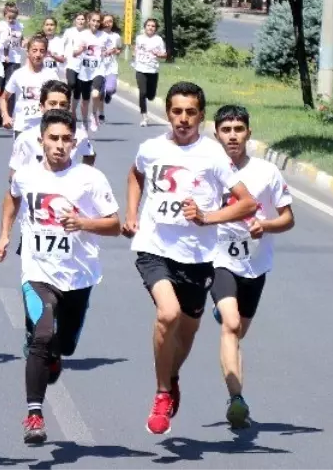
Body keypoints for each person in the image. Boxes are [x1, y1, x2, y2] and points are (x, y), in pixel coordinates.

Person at [122, 81, 258, 436]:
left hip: (197, 257)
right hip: (154, 247)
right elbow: (135, 175)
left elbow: (247, 203)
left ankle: (172, 375)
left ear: (201, 115)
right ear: (167, 112)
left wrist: (206, 217)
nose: (183, 119)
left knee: (187, 331)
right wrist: (133, 213)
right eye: (177, 111)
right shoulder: (151, 148)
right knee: (167, 314)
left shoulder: (213, 155)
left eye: (191, 112)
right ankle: (162, 393)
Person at [0, 109, 121, 445]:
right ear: (42, 140)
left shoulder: (90, 179)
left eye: (67, 139)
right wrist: (6, 233)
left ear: (75, 142)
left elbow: (115, 225)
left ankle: (54, 355)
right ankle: (34, 414)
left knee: (64, 345)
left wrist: (85, 223)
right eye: (54, 138)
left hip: (79, 275)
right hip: (38, 271)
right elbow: (12, 198)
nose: (60, 145)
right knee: (42, 334)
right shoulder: (26, 174)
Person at [210, 105, 295, 429]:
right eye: (226, 130)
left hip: (255, 265)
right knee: (230, 325)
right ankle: (237, 399)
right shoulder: (208, 171)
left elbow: (288, 219)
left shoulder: (267, 173)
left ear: (248, 132)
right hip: (218, 260)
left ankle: (223, 309)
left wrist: (267, 226)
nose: (232, 135)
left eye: (238, 129)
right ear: (216, 134)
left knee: (237, 331)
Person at [9, 80, 96, 174]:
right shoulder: (25, 138)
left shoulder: (79, 135)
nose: (58, 108)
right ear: (41, 107)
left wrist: (84, 177)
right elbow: (14, 174)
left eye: (63, 104)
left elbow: (90, 154)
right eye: (52, 103)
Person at [0, 34, 59, 138]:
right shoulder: (18, 74)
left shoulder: (52, 75)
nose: (38, 54)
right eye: (34, 50)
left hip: (44, 128)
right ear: (27, 52)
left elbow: (60, 99)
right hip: (22, 127)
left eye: (42, 51)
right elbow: (4, 98)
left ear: (46, 53)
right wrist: (5, 116)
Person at [72, 12, 107, 133]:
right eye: (93, 21)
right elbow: (74, 53)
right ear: (88, 21)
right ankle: (85, 123)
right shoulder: (82, 35)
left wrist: (108, 52)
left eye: (98, 21)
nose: (96, 23)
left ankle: (94, 114)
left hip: (98, 70)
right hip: (85, 72)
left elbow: (113, 49)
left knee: (96, 95)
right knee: (85, 101)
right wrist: (81, 50)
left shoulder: (104, 36)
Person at [133, 18, 168, 127]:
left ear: (155, 28)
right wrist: (135, 53)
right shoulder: (139, 38)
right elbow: (136, 48)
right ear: (145, 27)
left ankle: (150, 96)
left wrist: (159, 54)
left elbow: (164, 55)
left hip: (153, 70)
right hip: (140, 69)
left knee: (151, 96)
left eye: (153, 26)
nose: (150, 28)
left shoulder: (159, 40)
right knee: (142, 92)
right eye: (148, 25)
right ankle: (144, 116)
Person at [96, 13, 121, 123]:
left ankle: (109, 94)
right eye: (105, 21)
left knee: (110, 88)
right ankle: (101, 114)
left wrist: (116, 51)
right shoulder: (97, 35)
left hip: (111, 67)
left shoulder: (116, 36)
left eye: (110, 21)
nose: (108, 23)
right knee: (100, 93)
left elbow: (119, 49)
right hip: (99, 68)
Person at [62, 13, 88, 114]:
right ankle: (66, 105)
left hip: (83, 65)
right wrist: (62, 55)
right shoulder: (69, 32)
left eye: (82, 19)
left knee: (78, 90)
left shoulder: (87, 33)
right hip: (70, 63)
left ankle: (73, 111)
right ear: (75, 21)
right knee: (71, 83)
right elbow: (62, 43)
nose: (81, 21)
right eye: (79, 19)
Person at [1, 1, 24, 85]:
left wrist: (24, 43)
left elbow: (21, 38)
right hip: (3, 58)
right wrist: (5, 55)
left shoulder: (20, 25)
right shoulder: (1, 26)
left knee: (13, 81)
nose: (11, 20)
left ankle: (10, 97)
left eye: (13, 18)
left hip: (16, 57)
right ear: (5, 15)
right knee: (2, 83)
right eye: (9, 18)